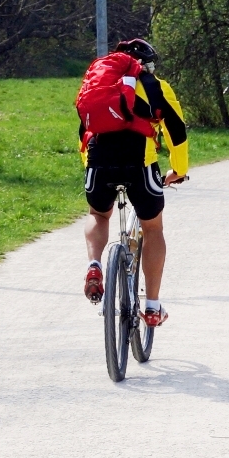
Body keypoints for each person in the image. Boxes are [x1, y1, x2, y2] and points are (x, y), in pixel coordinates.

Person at [80, 38, 188, 327]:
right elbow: (175, 130)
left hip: (99, 163)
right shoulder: (155, 86)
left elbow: (85, 130)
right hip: (140, 165)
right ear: (146, 64)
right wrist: (178, 168)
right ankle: (152, 307)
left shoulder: (98, 86)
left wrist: (89, 167)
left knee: (98, 215)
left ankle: (94, 264)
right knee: (152, 229)